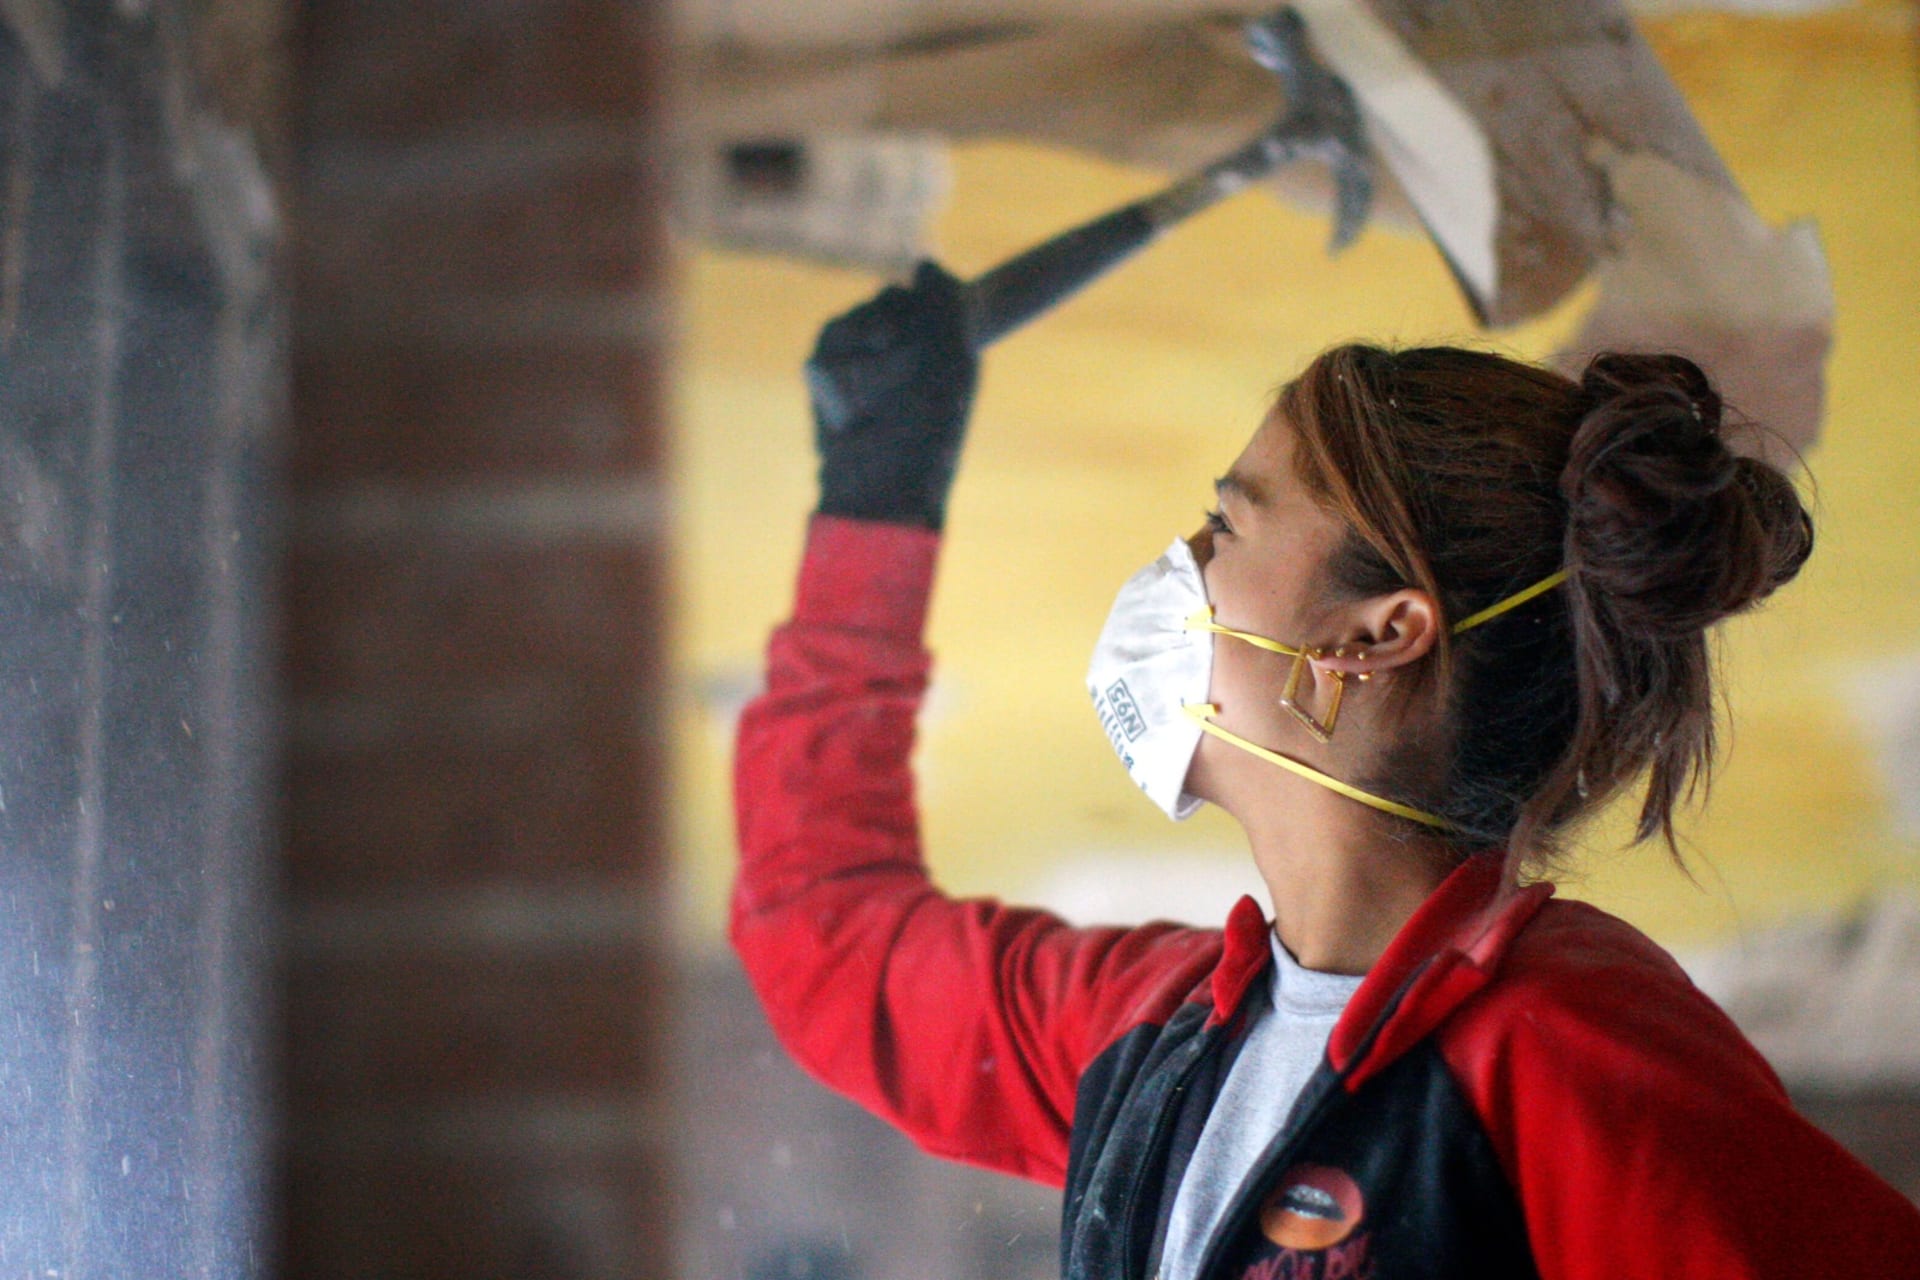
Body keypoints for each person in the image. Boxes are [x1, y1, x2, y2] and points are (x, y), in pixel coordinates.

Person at [731, 262, 1920, 1279]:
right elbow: (831, 942)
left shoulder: (1563, 1048)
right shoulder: (1159, 1035)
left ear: (1372, 635)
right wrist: (875, 505)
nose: (1182, 563)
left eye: (1229, 524)